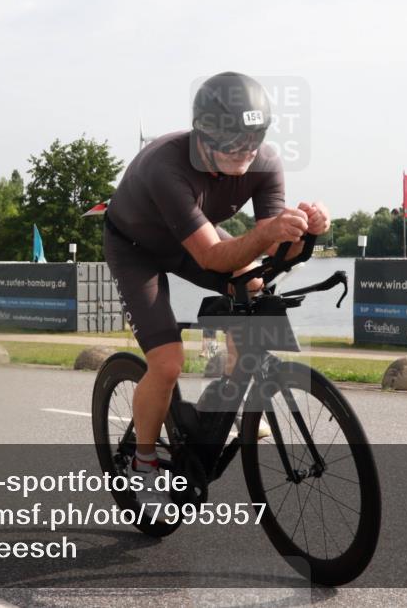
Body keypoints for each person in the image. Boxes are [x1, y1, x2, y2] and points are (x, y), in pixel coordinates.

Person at [103, 72, 330, 503]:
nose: (245, 149)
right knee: (167, 363)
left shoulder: (265, 163)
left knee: (253, 286)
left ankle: (220, 398)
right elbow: (210, 257)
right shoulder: (165, 166)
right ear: (202, 136)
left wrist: (308, 231)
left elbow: (271, 248)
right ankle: (143, 463)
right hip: (136, 249)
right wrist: (273, 233)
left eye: (254, 136)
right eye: (232, 140)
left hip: (189, 238)